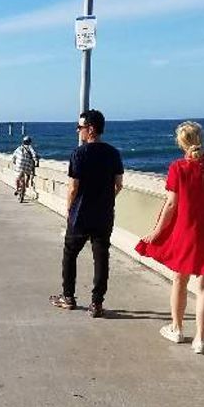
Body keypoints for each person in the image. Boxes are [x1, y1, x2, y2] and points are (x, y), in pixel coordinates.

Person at [135, 121, 204, 354]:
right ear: (202, 138)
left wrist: (156, 232)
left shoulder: (178, 167)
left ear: (181, 143)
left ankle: (177, 329)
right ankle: (200, 339)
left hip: (186, 231)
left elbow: (170, 205)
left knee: (180, 280)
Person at [50, 109, 123, 318]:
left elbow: (73, 187)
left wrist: (69, 208)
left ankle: (68, 297)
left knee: (70, 254)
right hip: (104, 215)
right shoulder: (113, 153)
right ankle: (97, 303)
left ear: (90, 129)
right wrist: (106, 200)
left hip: (80, 214)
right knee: (101, 257)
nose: (78, 130)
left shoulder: (79, 153)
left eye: (80, 127)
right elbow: (119, 184)